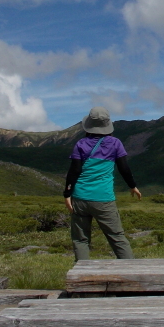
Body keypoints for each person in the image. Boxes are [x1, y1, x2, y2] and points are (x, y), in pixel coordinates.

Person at [63, 106, 142, 260]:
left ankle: (82, 277)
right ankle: (131, 273)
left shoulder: (81, 144)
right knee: (117, 237)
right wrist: (132, 186)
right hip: (104, 199)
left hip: (80, 197)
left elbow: (74, 171)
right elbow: (124, 168)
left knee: (81, 239)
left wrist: (67, 193)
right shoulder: (115, 143)